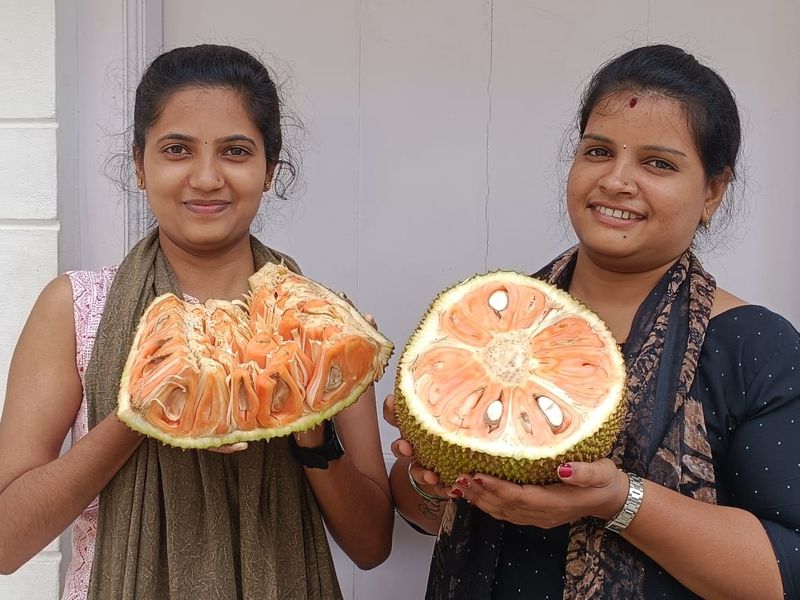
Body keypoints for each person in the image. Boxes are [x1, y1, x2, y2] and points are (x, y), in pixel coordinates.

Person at [385, 44, 799, 599]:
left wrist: (619, 500)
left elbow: (784, 570)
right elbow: (420, 514)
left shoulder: (756, 347)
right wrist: (428, 478)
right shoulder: (492, 320)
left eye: (658, 164)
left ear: (712, 192)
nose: (616, 181)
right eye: (599, 151)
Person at [0, 44, 393, 599]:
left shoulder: (319, 325)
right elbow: (7, 542)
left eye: (235, 151)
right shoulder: (75, 307)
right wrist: (143, 411)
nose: (206, 178)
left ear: (269, 170)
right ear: (140, 165)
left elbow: (372, 545)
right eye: (177, 149)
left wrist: (309, 423)